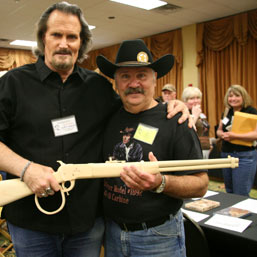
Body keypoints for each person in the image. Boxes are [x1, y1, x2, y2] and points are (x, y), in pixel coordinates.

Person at [0, 2, 191, 257]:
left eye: (72, 36)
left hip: (87, 223)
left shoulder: (99, 88)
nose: (64, 43)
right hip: (30, 221)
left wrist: (173, 107)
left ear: (81, 42)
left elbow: (135, 107)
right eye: (56, 35)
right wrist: (27, 170)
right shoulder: (13, 83)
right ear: (43, 38)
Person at [97, 39, 209, 257]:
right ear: (116, 82)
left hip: (158, 237)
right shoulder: (107, 116)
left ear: (155, 78)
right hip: (111, 234)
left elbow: (201, 184)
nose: (134, 83)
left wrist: (161, 183)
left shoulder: (176, 121)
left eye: (141, 75)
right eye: (125, 76)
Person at [216, 85, 257, 196]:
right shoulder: (227, 112)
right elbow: (219, 131)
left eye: (237, 95)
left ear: (243, 97)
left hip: (244, 156)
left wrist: (235, 136)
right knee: (229, 192)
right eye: (230, 96)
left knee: (241, 193)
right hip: (226, 155)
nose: (233, 99)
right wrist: (223, 135)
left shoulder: (251, 111)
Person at [182, 86, 211, 158]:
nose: (196, 101)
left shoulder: (202, 115)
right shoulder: (183, 114)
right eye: (191, 99)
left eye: (198, 98)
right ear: (185, 102)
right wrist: (195, 116)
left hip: (205, 150)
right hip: (192, 151)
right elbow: (186, 131)